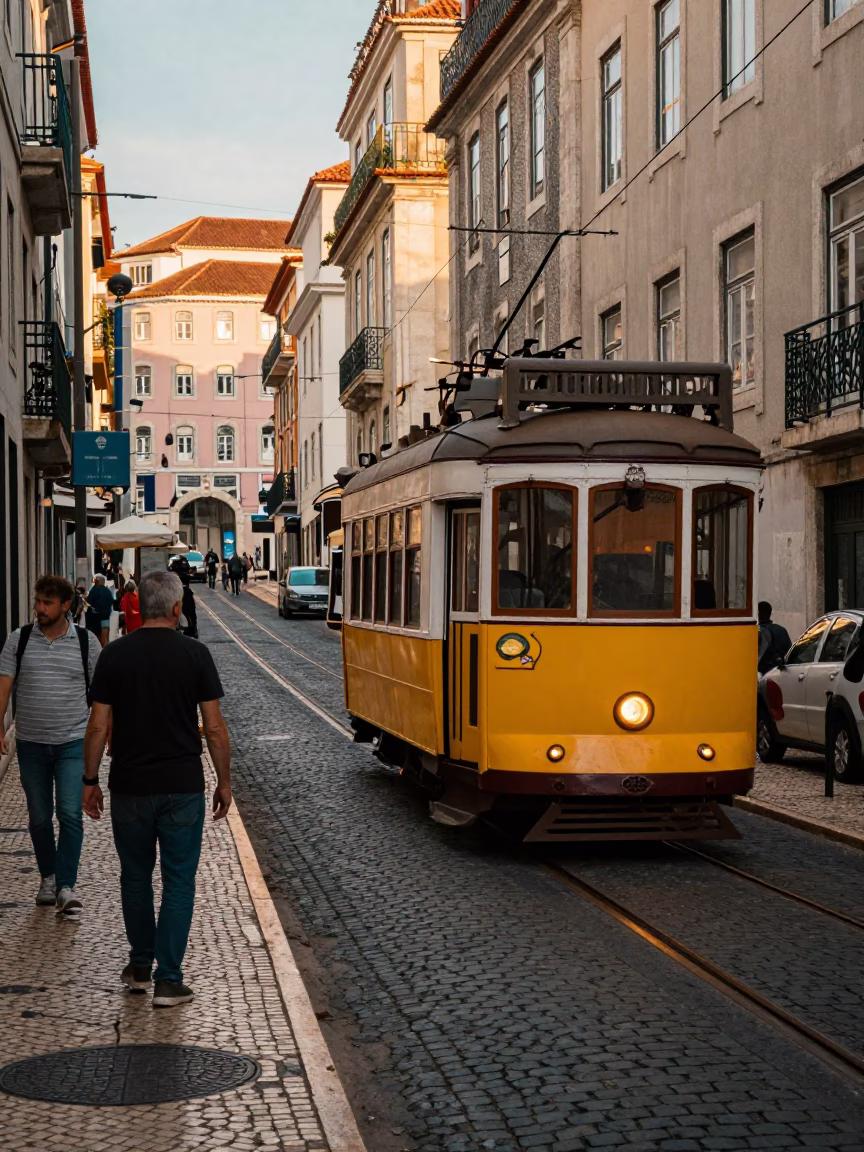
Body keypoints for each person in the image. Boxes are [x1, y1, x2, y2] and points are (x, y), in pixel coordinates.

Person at [82, 571, 232, 1007]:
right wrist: (224, 781)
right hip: (182, 785)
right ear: (173, 608)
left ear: (139, 606)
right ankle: (169, 979)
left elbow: (97, 725)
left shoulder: (114, 657)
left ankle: (140, 965)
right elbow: (215, 729)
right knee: (179, 881)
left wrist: (89, 780)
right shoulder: (196, 654)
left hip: (129, 784)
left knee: (135, 877)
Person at [0, 575, 102, 915]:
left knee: (70, 814)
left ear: (66, 606)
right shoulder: (20, 639)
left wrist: (107, 733)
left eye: (47, 603)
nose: (39, 608)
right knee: (40, 818)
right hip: (30, 743)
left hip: (73, 742)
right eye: (37, 601)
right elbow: (4, 684)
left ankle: (65, 886)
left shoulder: (87, 644)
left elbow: (102, 698)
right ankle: (48, 875)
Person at [757, 601, 793, 675]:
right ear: (770, 613)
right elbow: (789, 651)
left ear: (757, 614)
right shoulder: (782, 630)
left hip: (763, 673)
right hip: (780, 672)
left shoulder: (757, 631)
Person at [87, 573, 115, 648]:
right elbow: (111, 601)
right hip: (105, 617)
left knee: (95, 635)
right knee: (104, 634)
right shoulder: (107, 591)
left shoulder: (93, 590)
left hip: (95, 617)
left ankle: (97, 648)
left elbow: (89, 600)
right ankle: (103, 647)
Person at [180, 574, 198, 639]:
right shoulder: (188, 592)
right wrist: (194, 622)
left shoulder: (177, 591)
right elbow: (191, 608)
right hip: (186, 618)